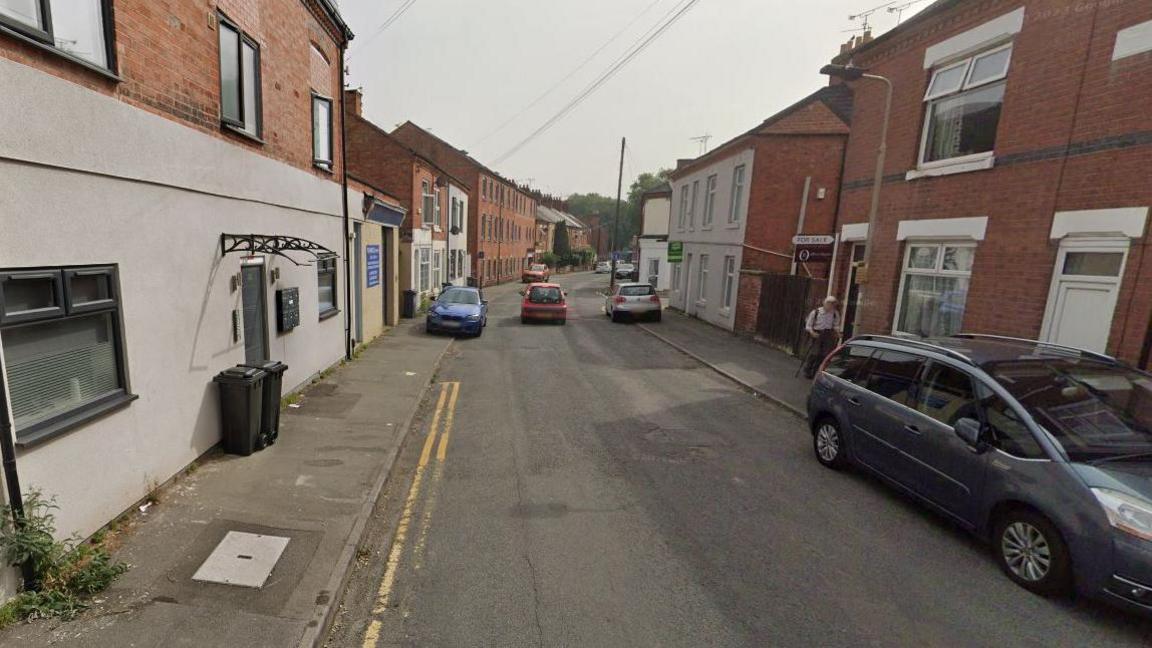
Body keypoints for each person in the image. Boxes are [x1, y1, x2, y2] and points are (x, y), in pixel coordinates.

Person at [802, 296, 841, 379]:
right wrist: (812, 332)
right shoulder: (816, 312)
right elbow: (808, 325)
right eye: (829, 303)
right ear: (825, 303)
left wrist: (838, 332)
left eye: (832, 304)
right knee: (814, 353)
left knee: (823, 355)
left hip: (828, 334)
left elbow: (836, 325)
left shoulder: (835, 313)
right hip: (817, 333)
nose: (831, 306)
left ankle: (816, 372)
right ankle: (807, 370)